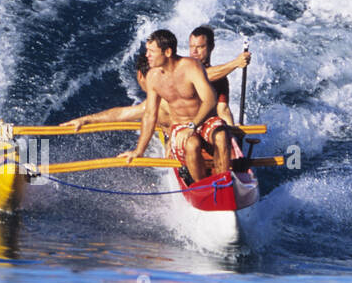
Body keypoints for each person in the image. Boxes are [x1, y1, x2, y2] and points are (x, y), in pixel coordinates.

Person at [59, 28, 248, 134]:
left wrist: (234, 135)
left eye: (200, 47)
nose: (195, 52)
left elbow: (223, 109)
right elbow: (122, 114)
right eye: (192, 47)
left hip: (202, 133)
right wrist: (85, 120)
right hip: (183, 141)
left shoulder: (206, 76)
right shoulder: (173, 85)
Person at [121, 29, 231, 181]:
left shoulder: (192, 66)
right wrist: (139, 151)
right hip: (180, 124)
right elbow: (149, 115)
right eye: (147, 51)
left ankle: (224, 182)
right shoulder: (153, 77)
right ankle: (201, 187)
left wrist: (192, 127)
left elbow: (210, 100)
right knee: (191, 144)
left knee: (222, 134)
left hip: (204, 120)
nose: (147, 55)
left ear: (167, 52)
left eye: (151, 51)